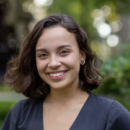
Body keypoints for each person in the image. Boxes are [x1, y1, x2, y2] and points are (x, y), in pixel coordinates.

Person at [1, 13, 130, 130]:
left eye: (64, 52)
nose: (53, 63)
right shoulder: (19, 115)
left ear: (82, 56)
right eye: (43, 55)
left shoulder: (112, 116)